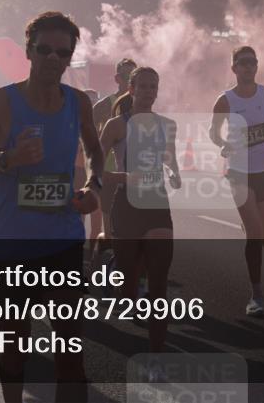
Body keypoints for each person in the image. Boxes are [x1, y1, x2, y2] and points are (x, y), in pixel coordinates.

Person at [0, 11, 101, 403]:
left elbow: (96, 153)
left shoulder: (78, 103)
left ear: (70, 57)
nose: (53, 58)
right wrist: (7, 160)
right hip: (11, 244)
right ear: (28, 51)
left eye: (62, 52)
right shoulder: (0, 103)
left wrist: (93, 187)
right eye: (44, 49)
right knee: (15, 349)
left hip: (64, 239)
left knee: (70, 353)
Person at [99, 67, 180, 357]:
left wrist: (175, 174)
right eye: (143, 86)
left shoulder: (166, 125)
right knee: (129, 293)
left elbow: (170, 159)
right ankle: (115, 269)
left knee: (158, 287)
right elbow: (96, 169)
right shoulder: (116, 126)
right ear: (131, 89)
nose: (149, 92)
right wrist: (124, 177)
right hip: (126, 205)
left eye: (153, 87)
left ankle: (157, 357)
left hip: (156, 204)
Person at [209, 46, 264, 316]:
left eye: (252, 62)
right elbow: (213, 132)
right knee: (254, 234)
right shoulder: (225, 101)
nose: (248, 67)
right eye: (243, 63)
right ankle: (256, 294)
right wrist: (223, 143)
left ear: (257, 66)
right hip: (239, 173)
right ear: (234, 68)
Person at [91, 58, 138, 263]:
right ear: (117, 78)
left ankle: (131, 268)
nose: (130, 80)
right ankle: (100, 258)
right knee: (110, 230)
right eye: (127, 76)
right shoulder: (104, 105)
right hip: (110, 173)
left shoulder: (142, 104)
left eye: (134, 76)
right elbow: (88, 135)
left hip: (135, 175)